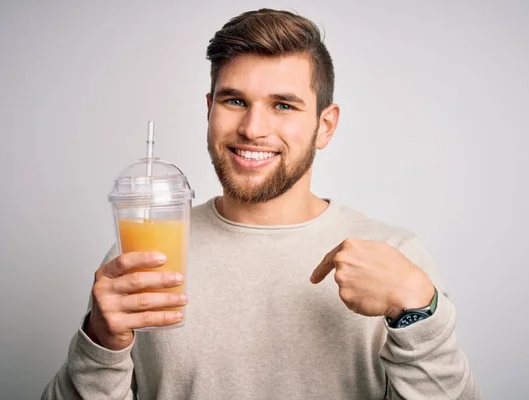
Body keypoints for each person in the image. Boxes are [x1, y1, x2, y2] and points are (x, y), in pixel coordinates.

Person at [42, 8, 483, 400]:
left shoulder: (395, 253)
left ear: (325, 126)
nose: (253, 128)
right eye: (235, 101)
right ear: (209, 109)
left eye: (284, 106)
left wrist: (419, 314)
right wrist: (99, 343)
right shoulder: (141, 253)